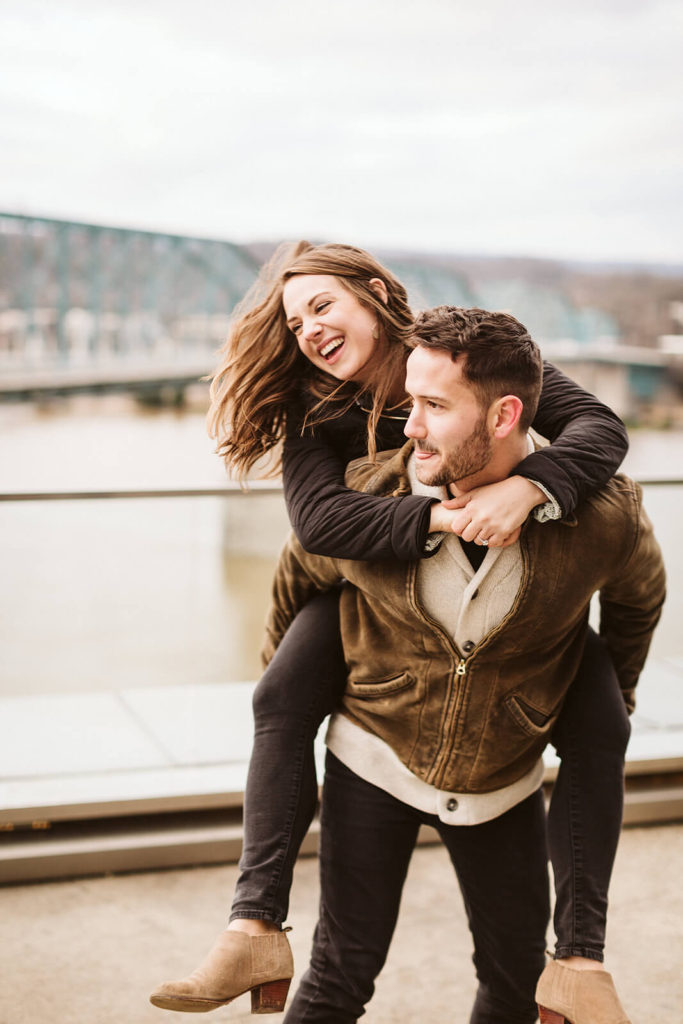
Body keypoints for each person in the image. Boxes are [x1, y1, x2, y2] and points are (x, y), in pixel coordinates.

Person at [149, 245, 637, 1019]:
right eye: (292, 318)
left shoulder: (455, 358)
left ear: (375, 296)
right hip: (365, 584)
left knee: (600, 711)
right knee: (280, 693)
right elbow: (317, 525)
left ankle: (580, 960)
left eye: (321, 306)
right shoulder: (311, 405)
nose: (307, 328)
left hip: (499, 601)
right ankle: (252, 924)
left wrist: (528, 488)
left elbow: (598, 427)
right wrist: (443, 516)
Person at [261, 306, 665, 1023]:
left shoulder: (602, 515)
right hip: (371, 755)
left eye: (433, 406)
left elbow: (638, 600)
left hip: (501, 776)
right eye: (408, 401)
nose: (406, 425)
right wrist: (292, 693)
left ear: (505, 413)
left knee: (514, 983)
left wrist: (601, 694)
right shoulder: (362, 494)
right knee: (336, 978)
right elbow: (296, 590)